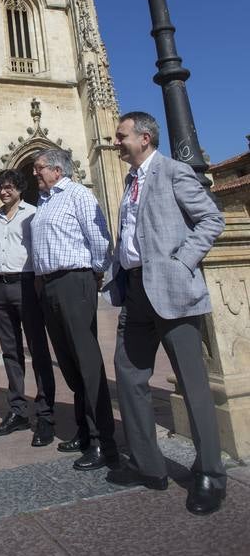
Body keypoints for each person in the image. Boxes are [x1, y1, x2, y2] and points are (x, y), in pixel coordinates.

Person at [103, 112, 226, 515]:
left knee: (193, 385)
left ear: (144, 137)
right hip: (136, 292)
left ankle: (210, 472)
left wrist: (182, 262)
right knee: (129, 375)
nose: (116, 141)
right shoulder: (130, 179)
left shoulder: (173, 171)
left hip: (171, 289)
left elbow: (211, 219)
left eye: (121, 136)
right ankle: (148, 465)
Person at [30, 148, 117, 470]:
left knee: (86, 361)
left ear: (56, 169)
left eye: (39, 168)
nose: (34, 173)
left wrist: (92, 274)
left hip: (74, 280)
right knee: (68, 362)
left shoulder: (78, 194)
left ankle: (102, 442)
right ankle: (84, 431)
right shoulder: (46, 200)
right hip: (51, 285)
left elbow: (99, 238)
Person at [0, 170, 56, 447]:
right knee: (10, 352)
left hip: (26, 284)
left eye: (9, 187)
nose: (4, 191)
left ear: (19, 188)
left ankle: (45, 413)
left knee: (38, 349)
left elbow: (38, 248)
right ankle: (17, 411)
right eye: (0, 187)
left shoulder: (32, 214)